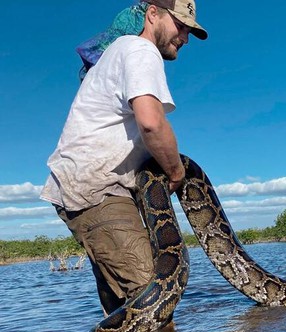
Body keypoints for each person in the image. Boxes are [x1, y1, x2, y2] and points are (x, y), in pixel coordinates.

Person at [40, 0, 208, 315]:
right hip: (100, 190)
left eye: (189, 30)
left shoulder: (119, 53)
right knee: (153, 294)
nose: (184, 37)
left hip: (89, 186)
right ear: (153, 14)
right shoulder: (140, 50)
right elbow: (151, 122)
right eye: (180, 25)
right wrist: (175, 173)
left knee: (123, 307)